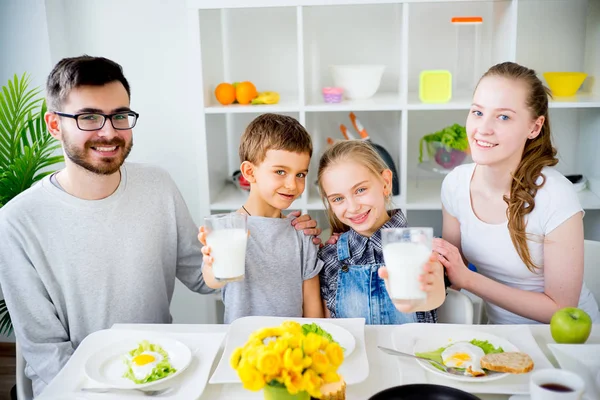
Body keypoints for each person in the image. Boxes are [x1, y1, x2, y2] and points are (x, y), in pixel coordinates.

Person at [0, 56, 321, 396]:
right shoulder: (18, 220)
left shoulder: (157, 185)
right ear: (54, 124)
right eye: (88, 117)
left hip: (162, 369)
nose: (109, 132)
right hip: (79, 387)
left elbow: (204, 278)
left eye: (120, 115)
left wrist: (279, 235)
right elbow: (46, 351)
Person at [432, 61, 600, 324]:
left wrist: (468, 279)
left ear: (534, 127)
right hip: (502, 336)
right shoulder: (455, 185)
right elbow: (451, 271)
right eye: (477, 112)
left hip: (568, 340)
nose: (483, 129)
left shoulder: (555, 194)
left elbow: (561, 309)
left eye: (504, 117)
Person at [198, 113, 324, 323]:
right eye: (280, 172)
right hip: (243, 349)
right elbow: (212, 280)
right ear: (249, 172)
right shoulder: (226, 231)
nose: (292, 185)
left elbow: (313, 311)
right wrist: (212, 264)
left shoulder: (301, 234)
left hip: (290, 350)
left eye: (300, 174)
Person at [317, 140, 446, 324]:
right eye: (338, 198)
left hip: (408, 352)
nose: (352, 207)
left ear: (385, 183)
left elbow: (435, 297)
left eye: (360, 190)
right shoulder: (329, 256)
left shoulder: (422, 248)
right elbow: (329, 329)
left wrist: (419, 300)